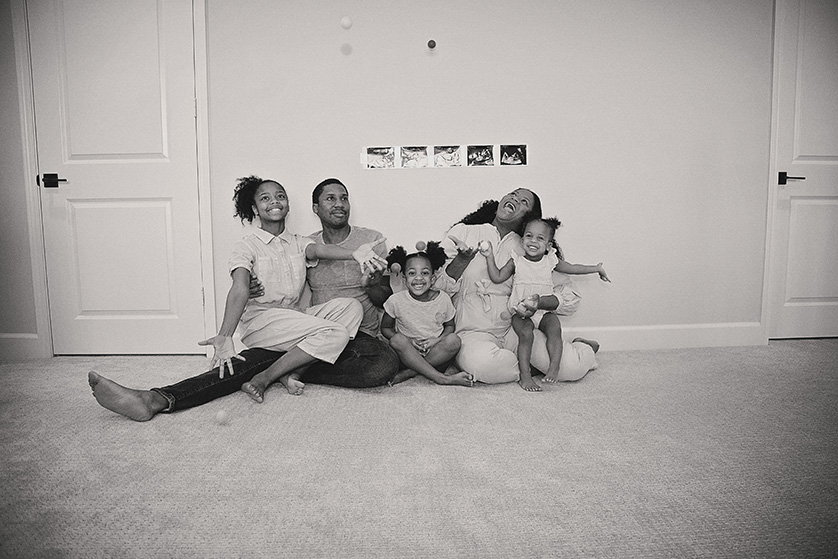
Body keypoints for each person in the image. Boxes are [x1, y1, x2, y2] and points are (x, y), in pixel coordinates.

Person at [88, 176, 387, 420]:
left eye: (280, 196)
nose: (275, 201)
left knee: (349, 308)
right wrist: (225, 335)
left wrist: (356, 253)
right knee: (329, 335)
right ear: (254, 209)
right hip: (265, 322)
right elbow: (241, 288)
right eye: (265, 198)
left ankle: (291, 367)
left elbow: (321, 251)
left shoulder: (299, 243)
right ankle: (159, 398)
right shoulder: (246, 246)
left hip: (296, 325)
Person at [435, 189, 600, 386]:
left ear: (529, 217)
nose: (515, 199)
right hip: (472, 331)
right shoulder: (464, 231)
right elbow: (435, 288)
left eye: (524, 201)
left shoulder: (530, 245)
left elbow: (570, 297)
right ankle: (527, 368)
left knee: (570, 368)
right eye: (513, 194)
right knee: (487, 367)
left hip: (518, 328)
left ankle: (583, 347)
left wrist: (540, 302)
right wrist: (461, 261)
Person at [479, 216, 609, 391]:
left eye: (540, 238)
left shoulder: (551, 261)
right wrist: (489, 256)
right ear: (522, 239)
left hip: (543, 313)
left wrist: (596, 268)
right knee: (526, 336)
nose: (533, 241)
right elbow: (497, 277)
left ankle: (554, 368)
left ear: (548, 245)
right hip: (522, 312)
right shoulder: (516, 261)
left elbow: (574, 268)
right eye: (529, 236)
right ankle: (525, 376)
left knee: (554, 330)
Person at [380, 242, 473, 387]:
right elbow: (385, 328)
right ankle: (441, 378)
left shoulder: (443, 298)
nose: (418, 278)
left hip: (436, 354)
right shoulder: (396, 300)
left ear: (433, 278)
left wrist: (436, 340)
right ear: (404, 279)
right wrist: (409, 341)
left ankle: (412, 372)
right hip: (407, 355)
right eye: (412, 273)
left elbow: (450, 326)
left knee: (454, 340)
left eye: (424, 273)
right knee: (397, 340)